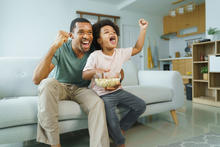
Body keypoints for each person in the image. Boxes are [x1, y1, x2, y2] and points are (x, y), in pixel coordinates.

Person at [32, 18, 109, 147]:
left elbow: (111, 67)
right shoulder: (61, 47)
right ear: (71, 35)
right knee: (46, 84)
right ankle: (54, 144)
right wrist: (54, 46)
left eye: (89, 32)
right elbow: (37, 79)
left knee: (97, 103)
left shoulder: (93, 51)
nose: (86, 36)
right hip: (60, 86)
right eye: (81, 32)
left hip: (81, 89)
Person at [82, 19, 148, 147]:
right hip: (103, 94)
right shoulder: (95, 56)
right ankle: (120, 142)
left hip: (119, 90)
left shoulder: (120, 53)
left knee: (141, 105)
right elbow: (85, 74)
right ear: (99, 40)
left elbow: (138, 48)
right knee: (111, 119)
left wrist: (143, 29)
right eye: (106, 32)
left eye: (113, 32)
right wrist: (96, 71)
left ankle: (121, 128)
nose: (111, 33)